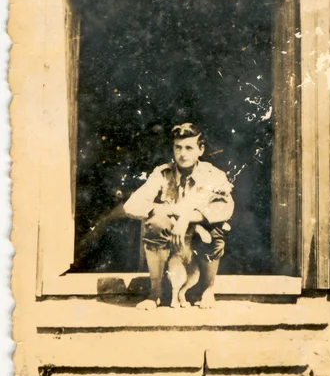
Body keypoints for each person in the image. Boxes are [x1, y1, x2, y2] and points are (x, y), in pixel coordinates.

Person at [96, 123, 234, 309]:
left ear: (200, 150)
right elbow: (132, 205)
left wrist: (187, 218)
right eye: (178, 147)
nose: (182, 154)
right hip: (170, 240)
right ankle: (155, 293)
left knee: (216, 228)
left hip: (196, 238)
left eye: (188, 148)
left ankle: (208, 290)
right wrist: (168, 211)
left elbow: (225, 208)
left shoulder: (212, 174)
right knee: (156, 221)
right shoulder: (162, 174)